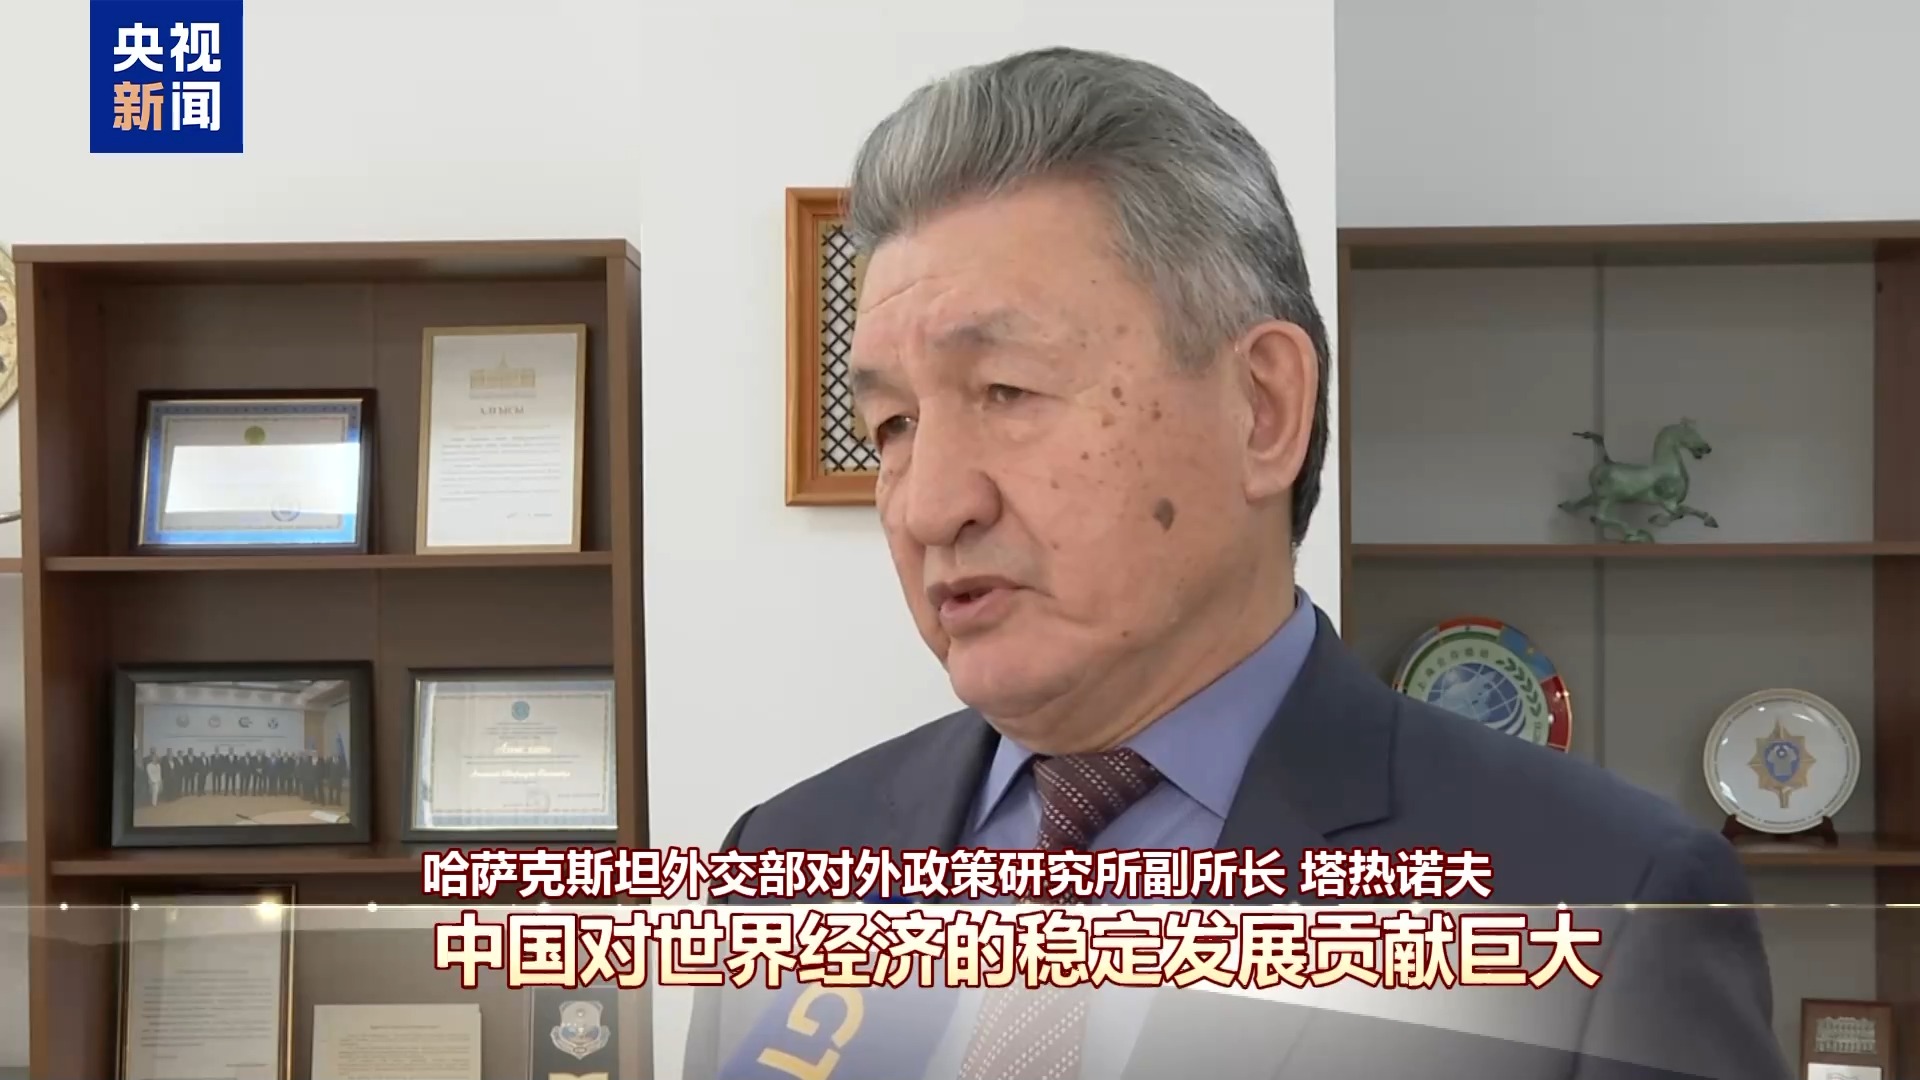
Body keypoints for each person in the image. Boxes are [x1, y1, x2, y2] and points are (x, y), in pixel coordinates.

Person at [687, 47, 1787, 1080]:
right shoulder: (781, 864)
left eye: (1007, 391)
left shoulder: (1608, 901)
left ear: (1263, 409)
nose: (930, 505)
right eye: (892, 427)